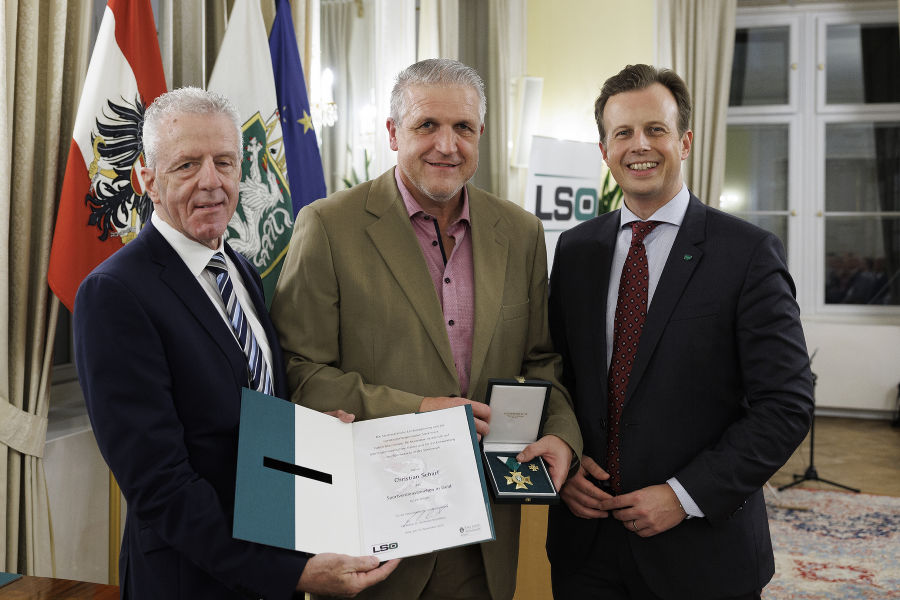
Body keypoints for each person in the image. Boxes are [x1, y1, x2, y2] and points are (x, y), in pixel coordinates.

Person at [270, 58, 582, 600]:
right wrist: (419, 412)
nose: (447, 144)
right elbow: (299, 374)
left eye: (462, 127)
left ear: (480, 134)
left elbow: (539, 362)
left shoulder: (522, 232)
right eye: (425, 126)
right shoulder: (326, 227)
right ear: (392, 133)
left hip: (486, 539)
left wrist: (563, 435)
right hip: (376, 544)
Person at [74, 87, 398, 599]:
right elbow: (161, 485)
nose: (212, 181)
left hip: (272, 558)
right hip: (190, 579)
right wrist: (289, 573)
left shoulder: (239, 267)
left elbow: (247, 406)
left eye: (225, 162)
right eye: (186, 165)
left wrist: (307, 434)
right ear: (147, 179)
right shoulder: (114, 294)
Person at [545, 64, 815, 600]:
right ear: (604, 150)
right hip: (586, 546)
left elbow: (785, 404)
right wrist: (568, 461)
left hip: (700, 551)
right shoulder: (575, 251)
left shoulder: (747, 254)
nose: (638, 145)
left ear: (685, 141)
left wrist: (684, 494)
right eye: (622, 132)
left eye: (655, 129)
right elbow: (555, 374)